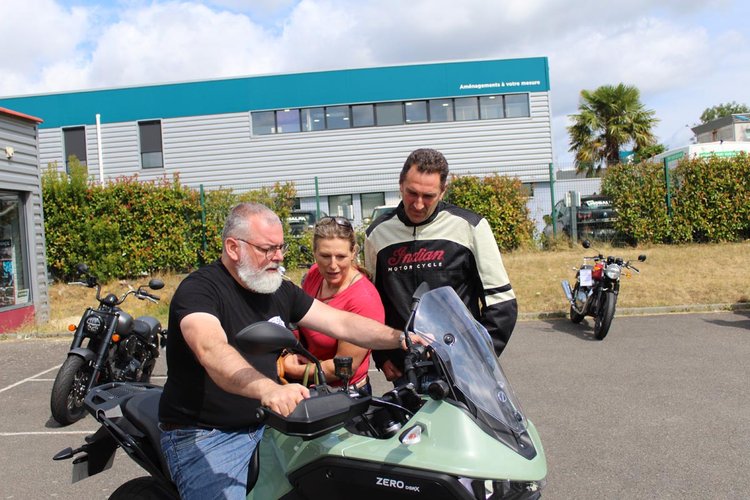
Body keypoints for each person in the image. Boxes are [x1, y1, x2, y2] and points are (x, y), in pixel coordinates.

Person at [158, 202, 406, 499]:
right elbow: (212, 349)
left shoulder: (275, 288)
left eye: (281, 247)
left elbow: (341, 322)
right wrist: (268, 389)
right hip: (209, 433)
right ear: (233, 247)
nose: (278, 257)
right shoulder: (200, 291)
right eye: (267, 249)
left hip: (271, 422)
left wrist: (404, 339)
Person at [365, 148, 518, 382]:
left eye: (428, 196)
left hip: (462, 369)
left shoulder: (470, 227)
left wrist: (478, 359)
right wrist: (382, 356)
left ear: (443, 190)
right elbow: (374, 302)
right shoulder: (377, 234)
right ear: (400, 185)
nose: (417, 204)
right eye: (411, 193)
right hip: (404, 368)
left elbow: (502, 303)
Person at [280, 216, 384, 393]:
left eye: (341, 256)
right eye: (325, 256)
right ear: (314, 253)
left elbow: (343, 369)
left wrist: (291, 368)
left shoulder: (363, 300)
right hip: (311, 388)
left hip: (345, 394)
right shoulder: (315, 275)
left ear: (353, 253)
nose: (333, 265)